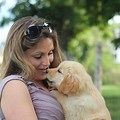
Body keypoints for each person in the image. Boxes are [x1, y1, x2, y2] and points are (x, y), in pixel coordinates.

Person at [0, 16, 65, 120]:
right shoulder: (14, 85)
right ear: (19, 56)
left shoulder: (51, 84)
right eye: (38, 56)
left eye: (50, 53)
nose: (47, 62)